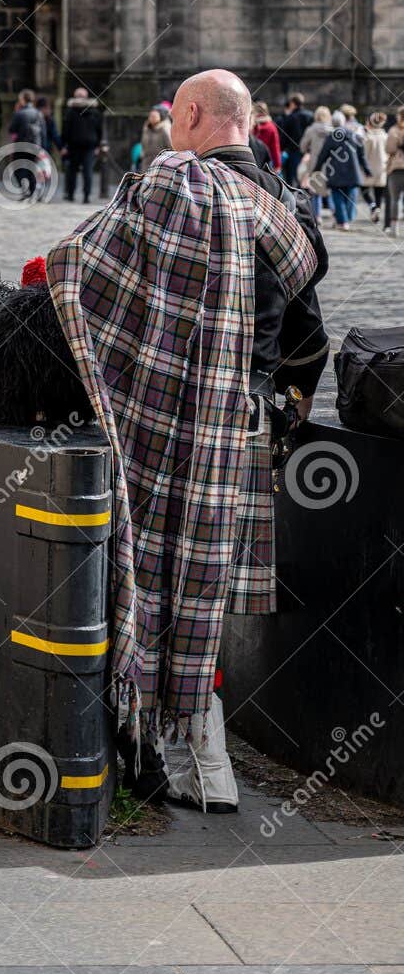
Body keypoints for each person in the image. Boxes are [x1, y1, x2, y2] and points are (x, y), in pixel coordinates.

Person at [70, 69, 325, 812]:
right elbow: (310, 331)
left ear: (188, 117)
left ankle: (157, 742)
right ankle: (205, 756)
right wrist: (283, 403)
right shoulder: (282, 202)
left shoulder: (167, 193)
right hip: (243, 418)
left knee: (146, 574)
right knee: (203, 592)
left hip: (160, 416)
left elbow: (93, 284)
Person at [315, 118, 370, 230]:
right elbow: (362, 156)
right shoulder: (355, 136)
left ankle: (343, 221)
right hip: (353, 172)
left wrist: (317, 169)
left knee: (337, 197)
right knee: (351, 195)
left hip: (335, 172)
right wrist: (366, 169)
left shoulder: (331, 137)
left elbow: (323, 155)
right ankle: (347, 218)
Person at [60, 86, 103, 204]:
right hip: (83, 146)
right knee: (82, 172)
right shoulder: (94, 111)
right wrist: (98, 145)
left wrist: (63, 145)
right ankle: (84, 195)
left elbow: (65, 130)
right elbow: (99, 130)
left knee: (76, 172)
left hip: (80, 146)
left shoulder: (70, 111)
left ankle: (73, 194)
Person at [8, 91, 47, 199]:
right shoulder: (39, 113)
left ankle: (24, 188)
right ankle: (32, 191)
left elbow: (12, 129)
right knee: (33, 168)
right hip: (36, 146)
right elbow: (43, 132)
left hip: (21, 145)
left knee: (17, 167)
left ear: (23, 100)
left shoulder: (19, 113)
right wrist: (43, 147)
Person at [298, 104, 333, 219]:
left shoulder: (311, 130)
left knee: (315, 190)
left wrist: (308, 150)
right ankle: (336, 214)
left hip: (314, 163)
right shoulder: (333, 131)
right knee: (331, 189)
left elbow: (303, 147)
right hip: (331, 164)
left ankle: (317, 216)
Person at [276, 94, 313, 186]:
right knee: (306, 178)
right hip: (308, 152)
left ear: (293, 103)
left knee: (293, 178)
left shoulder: (290, 117)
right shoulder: (310, 115)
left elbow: (284, 136)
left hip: (293, 151)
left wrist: (281, 149)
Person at [363, 111, 388, 221]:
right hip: (382, 168)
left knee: (364, 189)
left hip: (369, 168)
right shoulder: (386, 136)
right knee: (379, 192)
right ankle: (377, 209)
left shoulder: (368, 137)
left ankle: (372, 206)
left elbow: (364, 154)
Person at [386, 108, 404, 234]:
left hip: (397, 167)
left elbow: (389, 149)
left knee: (395, 199)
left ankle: (394, 228)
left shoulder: (394, 130)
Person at [250, 101, 281, 170]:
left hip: (250, 160)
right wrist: (277, 165)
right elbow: (275, 147)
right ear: (266, 111)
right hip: (265, 161)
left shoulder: (250, 126)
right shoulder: (271, 127)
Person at [139, 107, 172, 171]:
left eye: (154, 116)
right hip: (146, 163)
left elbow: (171, 146)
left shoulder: (165, 129)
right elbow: (143, 144)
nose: (152, 118)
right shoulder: (146, 128)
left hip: (161, 165)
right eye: (151, 116)